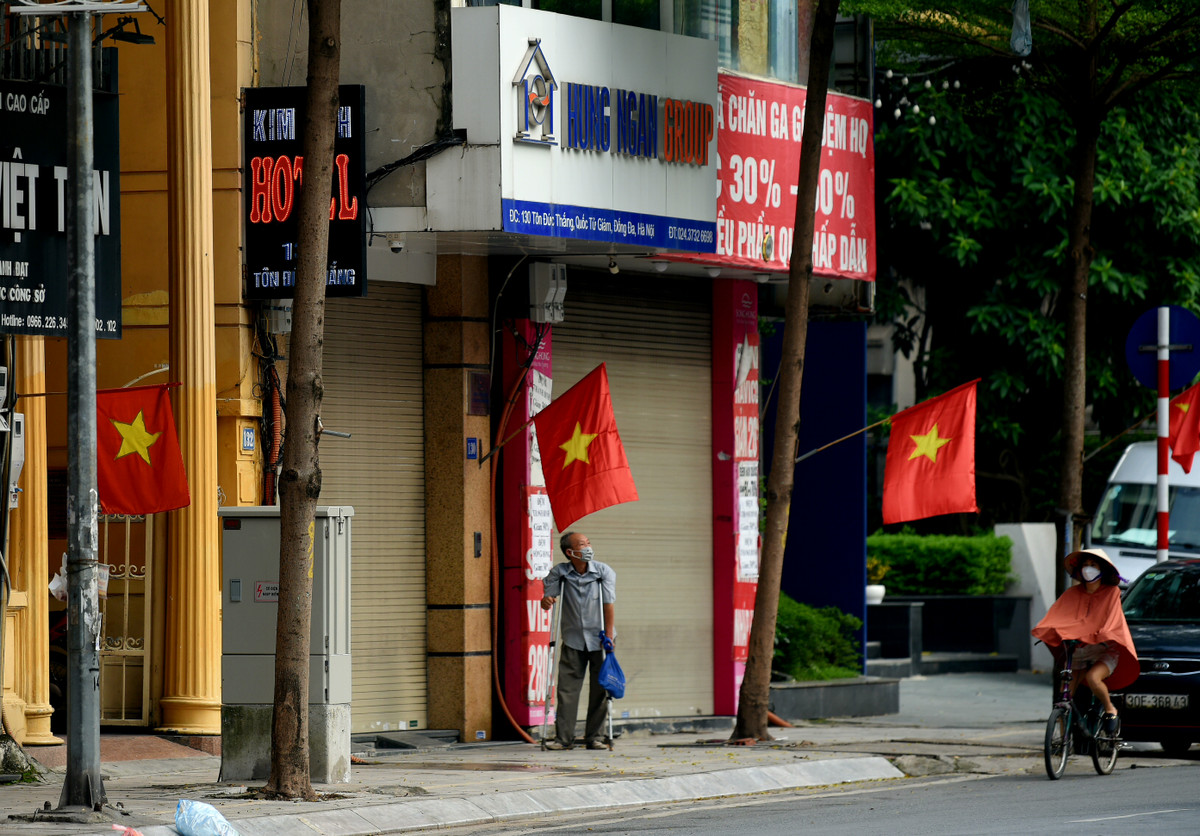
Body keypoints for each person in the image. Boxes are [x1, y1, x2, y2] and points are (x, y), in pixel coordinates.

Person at [1031, 548, 1138, 733]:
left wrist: (1097, 634)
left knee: (1093, 678)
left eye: (1093, 565)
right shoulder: (1071, 593)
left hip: (1105, 649)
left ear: (1102, 570)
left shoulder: (1112, 593)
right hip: (1079, 650)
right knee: (1064, 695)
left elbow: (1112, 621)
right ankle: (1064, 742)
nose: (1089, 569)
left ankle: (1110, 708)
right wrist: (1048, 630)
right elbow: (1057, 616)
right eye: (1086, 565)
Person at [540, 531, 616, 750]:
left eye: (588, 543)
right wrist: (546, 601)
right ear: (569, 552)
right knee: (567, 690)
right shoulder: (560, 573)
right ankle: (563, 739)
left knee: (601, 689)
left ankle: (595, 737)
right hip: (573, 639)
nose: (588, 547)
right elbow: (549, 598)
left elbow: (608, 605)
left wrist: (608, 636)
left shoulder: (603, 572)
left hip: (601, 638)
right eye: (582, 545)